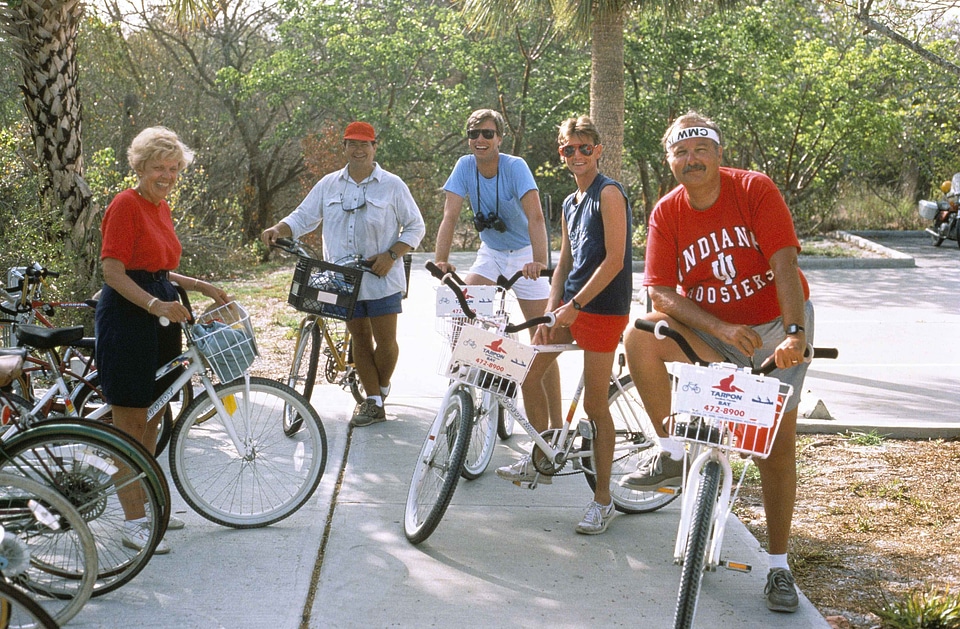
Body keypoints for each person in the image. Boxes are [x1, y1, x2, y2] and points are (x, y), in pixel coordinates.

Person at [621, 111, 814, 612]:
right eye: (680, 152)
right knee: (639, 334)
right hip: (717, 331)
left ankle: (777, 567)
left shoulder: (754, 190)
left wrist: (793, 333)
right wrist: (721, 328)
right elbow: (660, 292)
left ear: (719, 153)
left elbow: (784, 264)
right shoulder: (667, 212)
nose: (691, 159)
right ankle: (669, 451)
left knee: (772, 449)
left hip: (775, 329)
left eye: (699, 149)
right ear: (670, 162)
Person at [96, 126, 231, 554]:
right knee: (130, 426)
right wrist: (155, 305)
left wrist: (202, 285)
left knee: (153, 418)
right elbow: (114, 273)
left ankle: (147, 506)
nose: (167, 175)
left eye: (174, 169)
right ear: (140, 167)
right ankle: (133, 523)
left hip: (161, 319)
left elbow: (157, 268)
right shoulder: (125, 204)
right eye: (159, 168)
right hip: (129, 322)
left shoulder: (161, 208)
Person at [496, 115, 632, 535]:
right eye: (567, 149)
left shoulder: (609, 193)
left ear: (598, 150)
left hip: (604, 307)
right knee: (529, 375)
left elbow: (614, 260)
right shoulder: (571, 203)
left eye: (583, 147)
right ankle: (543, 456)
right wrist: (549, 313)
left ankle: (603, 499)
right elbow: (565, 264)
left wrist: (575, 305)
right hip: (570, 305)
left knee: (594, 407)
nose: (576, 155)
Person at [261, 121, 425, 427]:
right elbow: (303, 217)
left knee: (386, 341)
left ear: (375, 147)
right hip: (340, 278)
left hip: (381, 277)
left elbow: (416, 226)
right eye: (352, 143)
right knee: (359, 338)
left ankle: (381, 386)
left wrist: (392, 256)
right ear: (344, 147)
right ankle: (373, 402)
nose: (359, 150)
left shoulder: (392, 185)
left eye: (365, 144)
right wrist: (278, 229)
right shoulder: (328, 185)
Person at [433, 108, 562, 427]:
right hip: (491, 251)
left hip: (524, 254)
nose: (480, 140)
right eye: (474, 134)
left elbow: (536, 217)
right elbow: (449, 216)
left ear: (499, 138)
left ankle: (556, 423)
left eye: (487, 134)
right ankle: (477, 382)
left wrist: (540, 261)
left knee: (542, 336)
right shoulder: (464, 166)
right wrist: (441, 260)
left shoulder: (515, 167)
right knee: (461, 310)